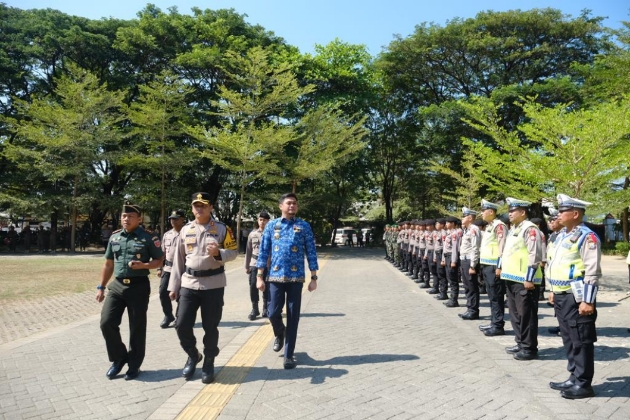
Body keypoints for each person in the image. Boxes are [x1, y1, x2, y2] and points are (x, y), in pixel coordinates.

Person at [168, 192, 238, 384]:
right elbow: (178, 261)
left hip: (213, 285)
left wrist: (218, 253)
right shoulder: (185, 230)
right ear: (192, 208)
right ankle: (193, 354)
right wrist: (173, 286)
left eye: (203, 205)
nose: (199, 208)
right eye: (196, 205)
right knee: (181, 324)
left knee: (210, 326)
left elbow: (234, 252)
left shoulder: (223, 229)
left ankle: (208, 361)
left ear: (211, 208)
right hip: (189, 284)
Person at [97, 202, 164, 380]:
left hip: (138, 286)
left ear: (139, 219)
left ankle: (134, 365)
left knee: (136, 327)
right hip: (117, 286)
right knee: (106, 322)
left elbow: (159, 261)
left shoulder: (149, 237)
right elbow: (108, 264)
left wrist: (144, 265)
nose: (126, 219)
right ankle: (119, 358)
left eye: (131, 216)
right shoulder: (115, 237)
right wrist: (101, 287)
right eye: (124, 216)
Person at [256, 193, 319, 369]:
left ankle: (289, 355)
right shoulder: (271, 226)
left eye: (295, 203)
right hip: (274, 277)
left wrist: (313, 277)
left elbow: (311, 252)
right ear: (281, 206)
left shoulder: (304, 226)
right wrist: (259, 276)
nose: (292, 206)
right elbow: (263, 251)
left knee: (293, 316)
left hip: (296, 278)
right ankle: (279, 332)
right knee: (272, 312)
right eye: (289, 203)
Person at [547, 194, 601, 399]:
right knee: (569, 338)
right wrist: (552, 289)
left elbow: (592, 270)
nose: (558, 214)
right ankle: (574, 377)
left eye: (562, 211)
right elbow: (554, 264)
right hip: (561, 295)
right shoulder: (562, 235)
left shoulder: (587, 237)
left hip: (577, 297)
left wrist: (587, 300)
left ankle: (584, 383)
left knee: (581, 340)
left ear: (575, 213)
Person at [500, 197, 544, 361]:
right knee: (515, 313)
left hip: (525, 280)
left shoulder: (530, 229)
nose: (509, 214)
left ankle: (529, 348)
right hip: (512, 277)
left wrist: (530, 277)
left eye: (512, 211)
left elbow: (535, 254)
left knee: (527, 315)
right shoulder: (513, 229)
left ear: (523, 212)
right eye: (509, 211)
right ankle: (520, 342)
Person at [478, 199, 508, 337]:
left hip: (493, 266)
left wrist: (499, 266)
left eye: (484, 210)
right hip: (487, 265)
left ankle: (498, 325)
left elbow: (502, 248)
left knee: (496, 296)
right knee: (491, 296)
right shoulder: (490, 226)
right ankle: (493, 322)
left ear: (491, 211)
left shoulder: (499, 226)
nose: (482, 213)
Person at [157, 209, 186, 329]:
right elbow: (162, 253)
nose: (172, 221)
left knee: (182, 295)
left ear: (182, 220)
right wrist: (159, 268)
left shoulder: (187, 233)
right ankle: (168, 315)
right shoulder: (167, 235)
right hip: (168, 268)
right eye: (171, 219)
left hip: (183, 269)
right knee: (163, 292)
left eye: (175, 218)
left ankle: (180, 317)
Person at [245, 211, 271, 320]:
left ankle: (266, 308)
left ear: (268, 221)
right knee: (253, 286)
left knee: (267, 286)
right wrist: (247, 266)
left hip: (268, 264)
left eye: (265, 220)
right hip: (254, 264)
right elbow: (248, 250)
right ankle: (255, 309)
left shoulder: (272, 234)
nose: (262, 222)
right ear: (258, 220)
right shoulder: (252, 234)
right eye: (260, 219)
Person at [458, 208, 482, 320]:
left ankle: (473, 310)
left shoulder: (474, 229)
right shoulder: (467, 230)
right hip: (464, 260)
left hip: (469, 261)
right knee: (467, 286)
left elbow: (475, 248)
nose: (462, 218)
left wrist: (473, 265)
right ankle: (469, 308)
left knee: (472, 286)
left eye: (464, 216)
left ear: (470, 218)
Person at [443, 217, 462, 307]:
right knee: (449, 278)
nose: (446, 224)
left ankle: (454, 300)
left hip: (451, 257)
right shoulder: (449, 233)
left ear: (453, 224)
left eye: (448, 222)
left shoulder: (454, 234)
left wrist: (453, 261)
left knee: (453, 279)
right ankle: (452, 298)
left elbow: (455, 248)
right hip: (447, 256)